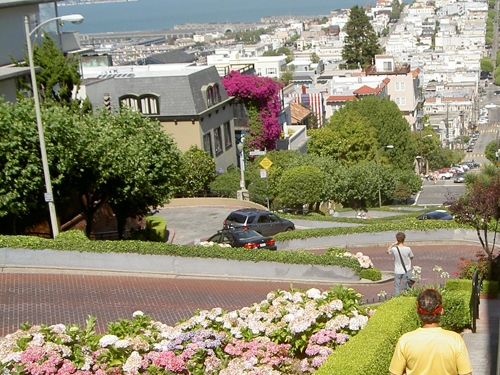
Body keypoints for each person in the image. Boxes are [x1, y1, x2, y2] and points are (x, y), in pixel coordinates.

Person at [389, 289, 473, 375]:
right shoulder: (455, 340)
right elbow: (466, 373)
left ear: (417, 311)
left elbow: (394, 373)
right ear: (441, 311)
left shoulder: (405, 341)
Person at [386, 232, 414, 296]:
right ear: (404, 239)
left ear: (397, 239)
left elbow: (387, 251)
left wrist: (393, 244)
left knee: (397, 286)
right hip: (406, 270)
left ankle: (397, 298)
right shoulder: (408, 249)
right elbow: (411, 257)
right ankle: (407, 297)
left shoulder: (394, 249)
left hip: (397, 270)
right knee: (407, 286)